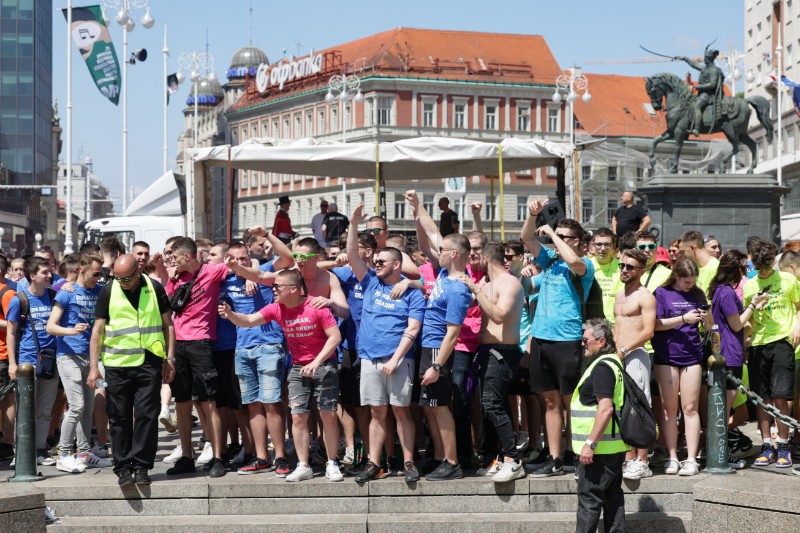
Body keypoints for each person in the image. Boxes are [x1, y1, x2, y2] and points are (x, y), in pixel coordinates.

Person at [220, 269, 344, 482]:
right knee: (297, 417)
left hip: (324, 365)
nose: (273, 289)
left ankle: (332, 463)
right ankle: (303, 464)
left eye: (278, 286)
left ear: (293, 288)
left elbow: (335, 337)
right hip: (298, 368)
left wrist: (316, 362)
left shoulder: (316, 306)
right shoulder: (277, 308)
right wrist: (231, 315)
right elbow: (249, 320)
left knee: (328, 415)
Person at [346, 205, 426, 483]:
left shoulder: (411, 293)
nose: (376, 264)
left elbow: (413, 329)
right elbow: (352, 255)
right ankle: (374, 463)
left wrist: (395, 359)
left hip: (399, 360)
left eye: (382, 262)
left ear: (396, 264)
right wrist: (354, 224)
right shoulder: (369, 282)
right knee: (376, 412)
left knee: (401, 411)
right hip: (369, 358)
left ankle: (408, 462)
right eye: (375, 261)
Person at [521, 198, 595, 477]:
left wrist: (553, 234)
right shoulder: (549, 260)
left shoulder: (584, 263)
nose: (558, 240)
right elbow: (525, 237)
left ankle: (577, 455)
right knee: (549, 401)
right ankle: (554, 458)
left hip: (567, 339)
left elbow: (574, 261)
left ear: (578, 241)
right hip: (541, 337)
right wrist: (533, 216)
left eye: (566, 237)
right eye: (558, 235)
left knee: (569, 402)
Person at [88, 254, 176, 485]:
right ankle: (123, 467)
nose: (122, 283)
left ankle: (142, 466)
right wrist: (93, 367)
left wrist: (170, 358)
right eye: (118, 278)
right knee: (119, 417)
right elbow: (97, 331)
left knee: (147, 415)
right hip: (117, 365)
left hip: (149, 362)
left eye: (126, 278)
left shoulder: (154, 288)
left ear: (138, 271)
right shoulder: (108, 290)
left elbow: (169, 326)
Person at [404, 190, 472, 481]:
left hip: (437, 350)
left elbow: (453, 334)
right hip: (427, 346)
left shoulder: (457, 288)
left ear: (454, 254)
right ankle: (440, 457)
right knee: (430, 407)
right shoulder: (445, 274)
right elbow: (433, 232)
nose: (436, 251)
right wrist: (419, 206)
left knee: (441, 408)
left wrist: (436, 366)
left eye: (443, 249)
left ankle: (452, 462)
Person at [222, 243, 290, 476]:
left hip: (270, 345)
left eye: (244, 258)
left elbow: (287, 257)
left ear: (250, 257)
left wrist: (251, 270)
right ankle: (261, 457)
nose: (239, 263)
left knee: (272, 402)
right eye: (234, 260)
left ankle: (280, 457)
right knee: (253, 405)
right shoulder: (226, 279)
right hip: (242, 348)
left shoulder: (264, 272)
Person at [459, 242, 525, 483]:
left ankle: (513, 459)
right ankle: (501, 455)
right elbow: (470, 307)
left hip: (503, 351)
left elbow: (499, 314)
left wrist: (476, 290)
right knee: (493, 406)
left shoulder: (509, 283)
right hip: (487, 349)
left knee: (492, 404)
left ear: (486, 259)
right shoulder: (487, 284)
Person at [165, 237, 230, 478]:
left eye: (175, 255)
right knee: (181, 404)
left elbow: (241, 266)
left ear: (188, 256)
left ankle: (217, 457)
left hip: (201, 343)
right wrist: (169, 277)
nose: (172, 259)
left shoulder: (211, 272)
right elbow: (169, 309)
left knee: (208, 402)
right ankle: (187, 456)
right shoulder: (176, 279)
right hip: (178, 345)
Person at [46, 253, 111, 473]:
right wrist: (70, 330)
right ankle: (63, 453)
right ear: (81, 270)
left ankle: (84, 453)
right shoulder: (66, 293)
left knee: (88, 408)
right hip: (69, 355)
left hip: (91, 356)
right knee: (76, 406)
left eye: (101, 273)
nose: (98, 277)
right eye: (95, 273)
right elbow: (51, 326)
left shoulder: (100, 291)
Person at [652, 258, 713, 476]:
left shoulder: (697, 294)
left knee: (690, 408)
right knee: (670, 410)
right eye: (687, 281)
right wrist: (683, 319)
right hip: (666, 356)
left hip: (692, 355)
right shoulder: (661, 293)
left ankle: (691, 458)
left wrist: (706, 317)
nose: (690, 285)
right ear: (677, 276)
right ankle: (672, 456)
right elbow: (655, 324)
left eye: (693, 281)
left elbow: (708, 326)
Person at [743, 239, 800, 469]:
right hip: (759, 344)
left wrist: (797, 326)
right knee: (762, 397)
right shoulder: (750, 285)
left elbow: (798, 306)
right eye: (760, 266)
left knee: (781, 397)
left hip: (782, 342)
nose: (765, 270)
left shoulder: (787, 279)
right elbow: (749, 320)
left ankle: (784, 445)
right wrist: (747, 334)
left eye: (768, 265)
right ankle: (767, 445)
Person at [709, 249, 768, 469]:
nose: (747, 272)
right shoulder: (726, 292)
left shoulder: (718, 290)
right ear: (737, 269)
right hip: (729, 353)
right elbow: (736, 324)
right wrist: (753, 304)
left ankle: (719, 451)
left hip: (723, 352)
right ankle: (721, 453)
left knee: (721, 406)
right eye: (744, 268)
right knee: (723, 408)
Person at [572, 319, 630, 533]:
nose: (582, 343)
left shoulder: (603, 366)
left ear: (601, 341)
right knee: (613, 498)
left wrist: (590, 444)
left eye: (586, 340)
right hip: (612, 448)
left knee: (589, 500)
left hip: (599, 450)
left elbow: (606, 409)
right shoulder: (613, 362)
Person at [6, 257, 59, 466]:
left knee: (45, 410)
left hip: (50, 360)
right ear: (32, 276)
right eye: (45, 272)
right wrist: (13, 363)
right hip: (27, 361)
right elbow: (11, 333)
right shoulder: (19, 299)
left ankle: (39, 450)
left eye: (49, 272)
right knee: (25, 409)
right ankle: (21, 452)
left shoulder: (54, 295)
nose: (49, 275)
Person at [613, 249, 657, 481]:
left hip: (636, 355)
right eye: (622, 266)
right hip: (618, 356)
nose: (624, 270)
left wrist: (624, 349)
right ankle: (629, 458)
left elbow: (648, 331)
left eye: (630, 267)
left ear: (642, 270)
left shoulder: (645, 296)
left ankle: (643, 460)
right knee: (623, 408)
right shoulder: (619, 295)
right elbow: (617, 326)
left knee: (640, 406)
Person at [679, 49, 724, 136]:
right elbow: (694, 64)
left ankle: (697, 128)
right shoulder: (705, 68)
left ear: (710, 59)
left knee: (697, 106)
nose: (704, 60)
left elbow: (712, 84)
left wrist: (699, 86)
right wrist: (684, 58)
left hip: (709, 95)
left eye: (706, 58)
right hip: (702, 93)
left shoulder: (714, 70)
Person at [0, 262, 16, 459]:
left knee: (7, 399)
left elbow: (13, 325)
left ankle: (7, 442)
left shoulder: (6, 293)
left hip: (2, 355)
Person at [590, 228, 620, 324]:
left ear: (613, 246)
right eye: (599, 244)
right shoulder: (586, 266)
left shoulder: (623, 267)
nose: (602, 248)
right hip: (590, 325)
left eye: (607, 244)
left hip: (615, 325)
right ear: (593, 246)